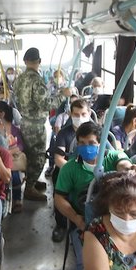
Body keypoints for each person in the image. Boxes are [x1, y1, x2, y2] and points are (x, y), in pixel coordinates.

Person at [54, 121, 136, 270]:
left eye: (92, 143)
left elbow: (123, 162)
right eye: (82, 143)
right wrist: (77, 219)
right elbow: (59, 198)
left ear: (101, 143)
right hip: (85, 223)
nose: (87, 147)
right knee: (84, 267)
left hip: (119, 223)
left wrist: (129, 169)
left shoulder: (111, 157)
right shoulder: (70, 169)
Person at [13, 47, 70, 201]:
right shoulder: (37, 81)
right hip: (36, 125)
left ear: (25, 61)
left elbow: (16, 99)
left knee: (29, 153)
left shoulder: (19, 79)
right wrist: (62, 96)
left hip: (24, 121)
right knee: (38, 157)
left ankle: (31, 180)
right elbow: (46, 105)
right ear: (39, 62)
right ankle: (29, 188)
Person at [51, 98, 91, 242]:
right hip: (68, 168)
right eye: (76, 114)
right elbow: (58, 159)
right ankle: (61, 223)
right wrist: (72, 170)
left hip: (91, 169)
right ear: (70, 114)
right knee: (59, 181)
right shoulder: (64, 133)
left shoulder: (96, 132)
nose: (80, 118)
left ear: (89, 114)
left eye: (83, 114)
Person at [0, 100, 25, 212]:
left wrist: (7, 153)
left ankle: (17, 199)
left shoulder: (13, 129)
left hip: (8, 157)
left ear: (2, 114)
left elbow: (20, 146)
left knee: (14, 174)